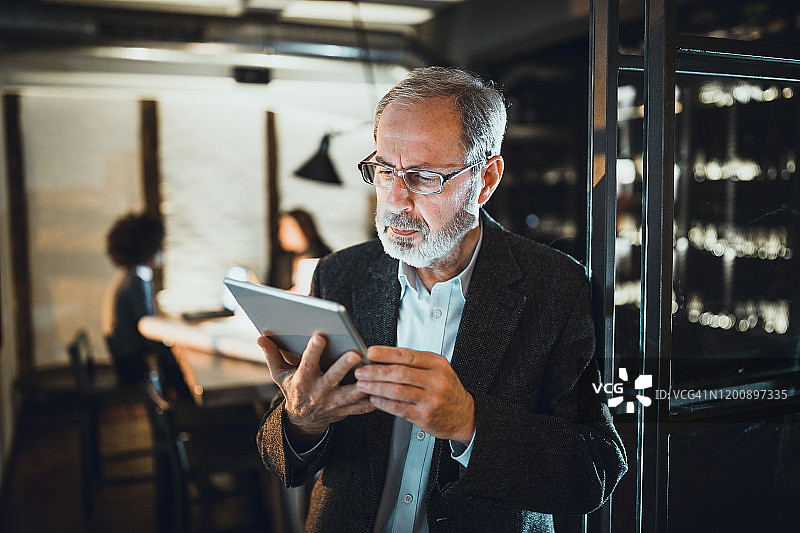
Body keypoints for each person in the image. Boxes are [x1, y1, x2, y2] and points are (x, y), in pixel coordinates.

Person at [256, 67, 627, 532]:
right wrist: (301, 420)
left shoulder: (557, 288)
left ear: (486, 179)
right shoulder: (340, 274)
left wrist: (471, 423)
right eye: (385, 171)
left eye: (425, 177)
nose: (395, 199)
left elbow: (592, 471)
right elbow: (279, 457)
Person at [102, 212, 191, 399]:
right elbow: (146, 329)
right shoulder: (137, 279)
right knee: (176, 362)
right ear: (149, 249)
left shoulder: (129, 276)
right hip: (131, 363)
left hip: (123, 356)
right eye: (159, 246)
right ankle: (190, 406)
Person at [268, 209, 332, 291]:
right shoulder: (280, 258)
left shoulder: (325, 257)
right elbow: (271, 287)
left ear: (302, 228)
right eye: (280, 229)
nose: (280, 234)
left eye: (285, 229)